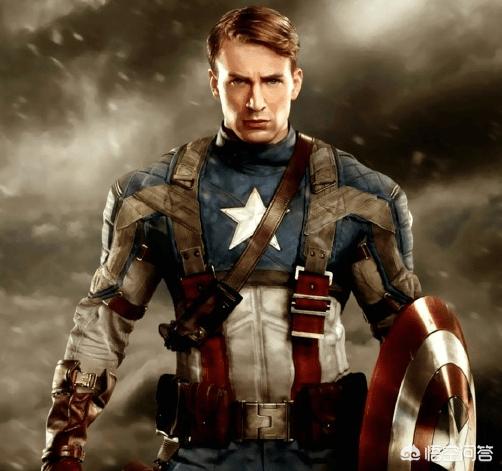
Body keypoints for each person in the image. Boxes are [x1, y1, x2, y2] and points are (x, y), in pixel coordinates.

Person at [41, 6, 422, 471]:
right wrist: (63, 450)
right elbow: (103, 326)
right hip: (200, 457)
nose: (256, 101)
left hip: (323, 458)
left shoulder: (363, 199)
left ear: (296, 82)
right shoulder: (152, 198)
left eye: (271, 81)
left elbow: (413, 344)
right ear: (214, 82)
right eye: (239, 81)